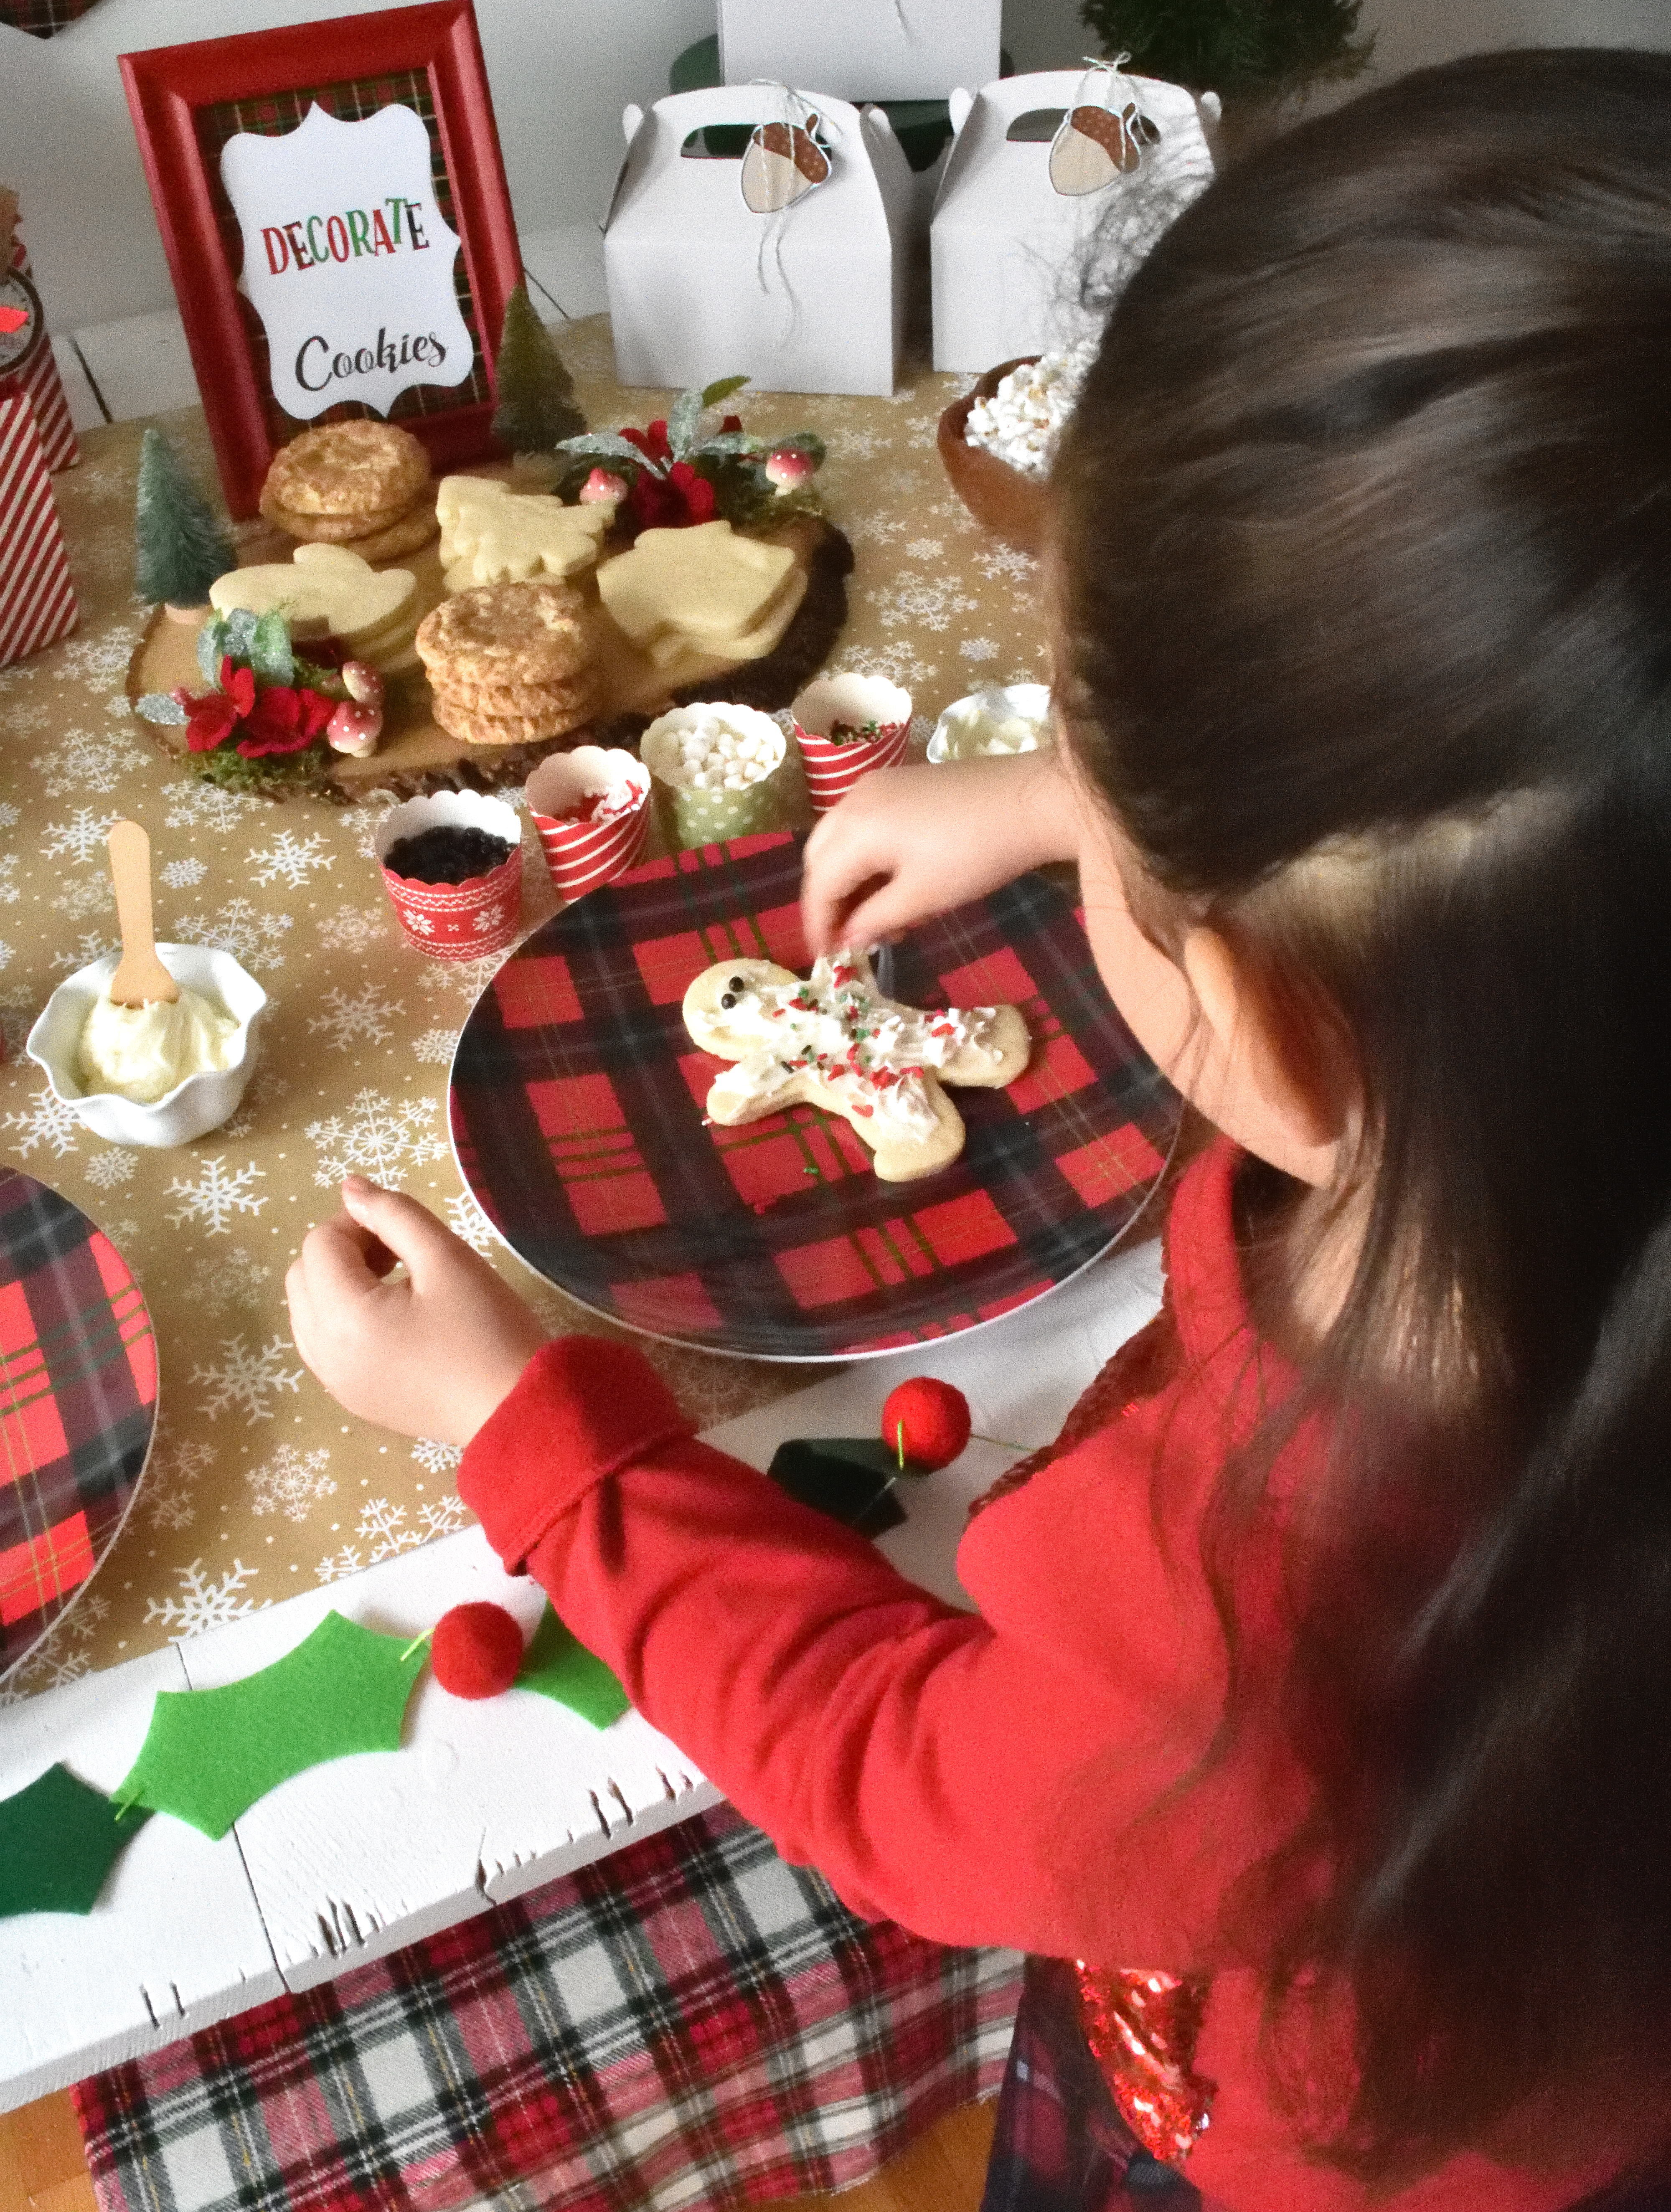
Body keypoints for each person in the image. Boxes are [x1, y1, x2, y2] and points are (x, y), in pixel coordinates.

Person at [286, 49, 1671, 2212]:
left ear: (1284, 1017)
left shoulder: (1246, 1618)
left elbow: (886, 1766)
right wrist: (1070, 818)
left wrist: (525, 1428)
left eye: (1113, 814)